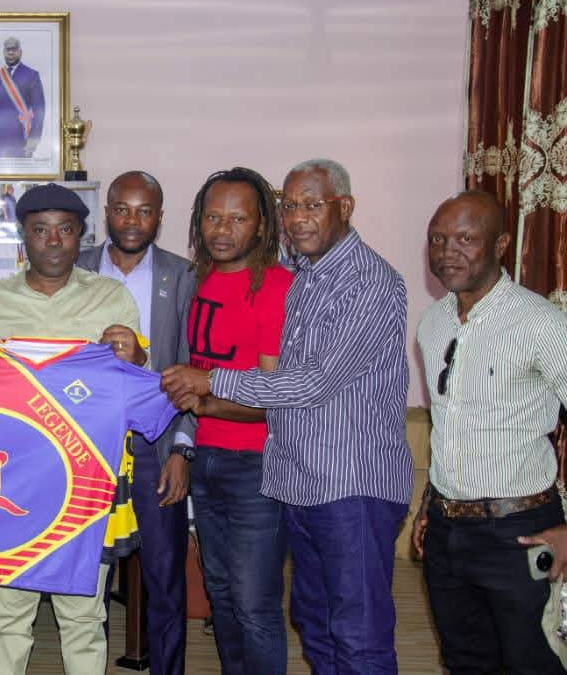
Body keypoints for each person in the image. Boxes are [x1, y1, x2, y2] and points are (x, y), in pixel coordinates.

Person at [163, 158, 413, 672]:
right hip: (300, 480)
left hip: (352, 485)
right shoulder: (305, 274)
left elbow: (312, 382)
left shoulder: (369, 281)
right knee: (314, 625)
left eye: (313, 205)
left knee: (357, 634)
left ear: (346, 207)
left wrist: (210, 382)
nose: (298, 217)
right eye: (291, 205)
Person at [0, 182, 146, 675]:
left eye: (65, 230)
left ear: (82, 236)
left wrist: (139, 357)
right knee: (6, 619)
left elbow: (137, 387)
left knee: (83, 618)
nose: (53, 241)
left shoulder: (111, 298)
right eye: (41, 230)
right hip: (9, 484)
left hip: (85, 483)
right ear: (24, 236)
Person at [413, 190, 567, 674]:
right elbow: (449, 425)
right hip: (447, 531)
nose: (447, 251)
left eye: (466, 239)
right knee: (464, 661)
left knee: (532, 663)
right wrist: (430, 505)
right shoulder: (431, 323)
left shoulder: (540, 323)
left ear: (500, 245)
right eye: (438, 239)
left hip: (520, 532)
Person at [76, 171, 196, 675]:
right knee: (87, 580)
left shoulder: (184, 276)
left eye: (144, 211)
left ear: (159, 218)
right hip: (85, 446)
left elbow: (192, 366)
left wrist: (182, 449)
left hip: (155, 445)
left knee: (164, 576)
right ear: (106, 213)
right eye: (122, 209)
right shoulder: (75, 266)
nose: (132, 220)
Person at [179, 167, 292, 674]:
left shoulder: (277, 286)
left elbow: (273, 398)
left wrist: (202, 400)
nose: (221, 229)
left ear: (262, 225)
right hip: (202, 458)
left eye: (237, 218)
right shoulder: (194, 280)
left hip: (256, 467)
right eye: (212, 217)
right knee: (220, 592)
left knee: (254, 603)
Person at [0, 36, 46, 158]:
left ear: (20, 52)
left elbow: (39, 110)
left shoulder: (31, 75)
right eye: (8, 49)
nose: (11, 52)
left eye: (14, 49)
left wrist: (33, 139)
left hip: (22, 138)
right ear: (4, 52)